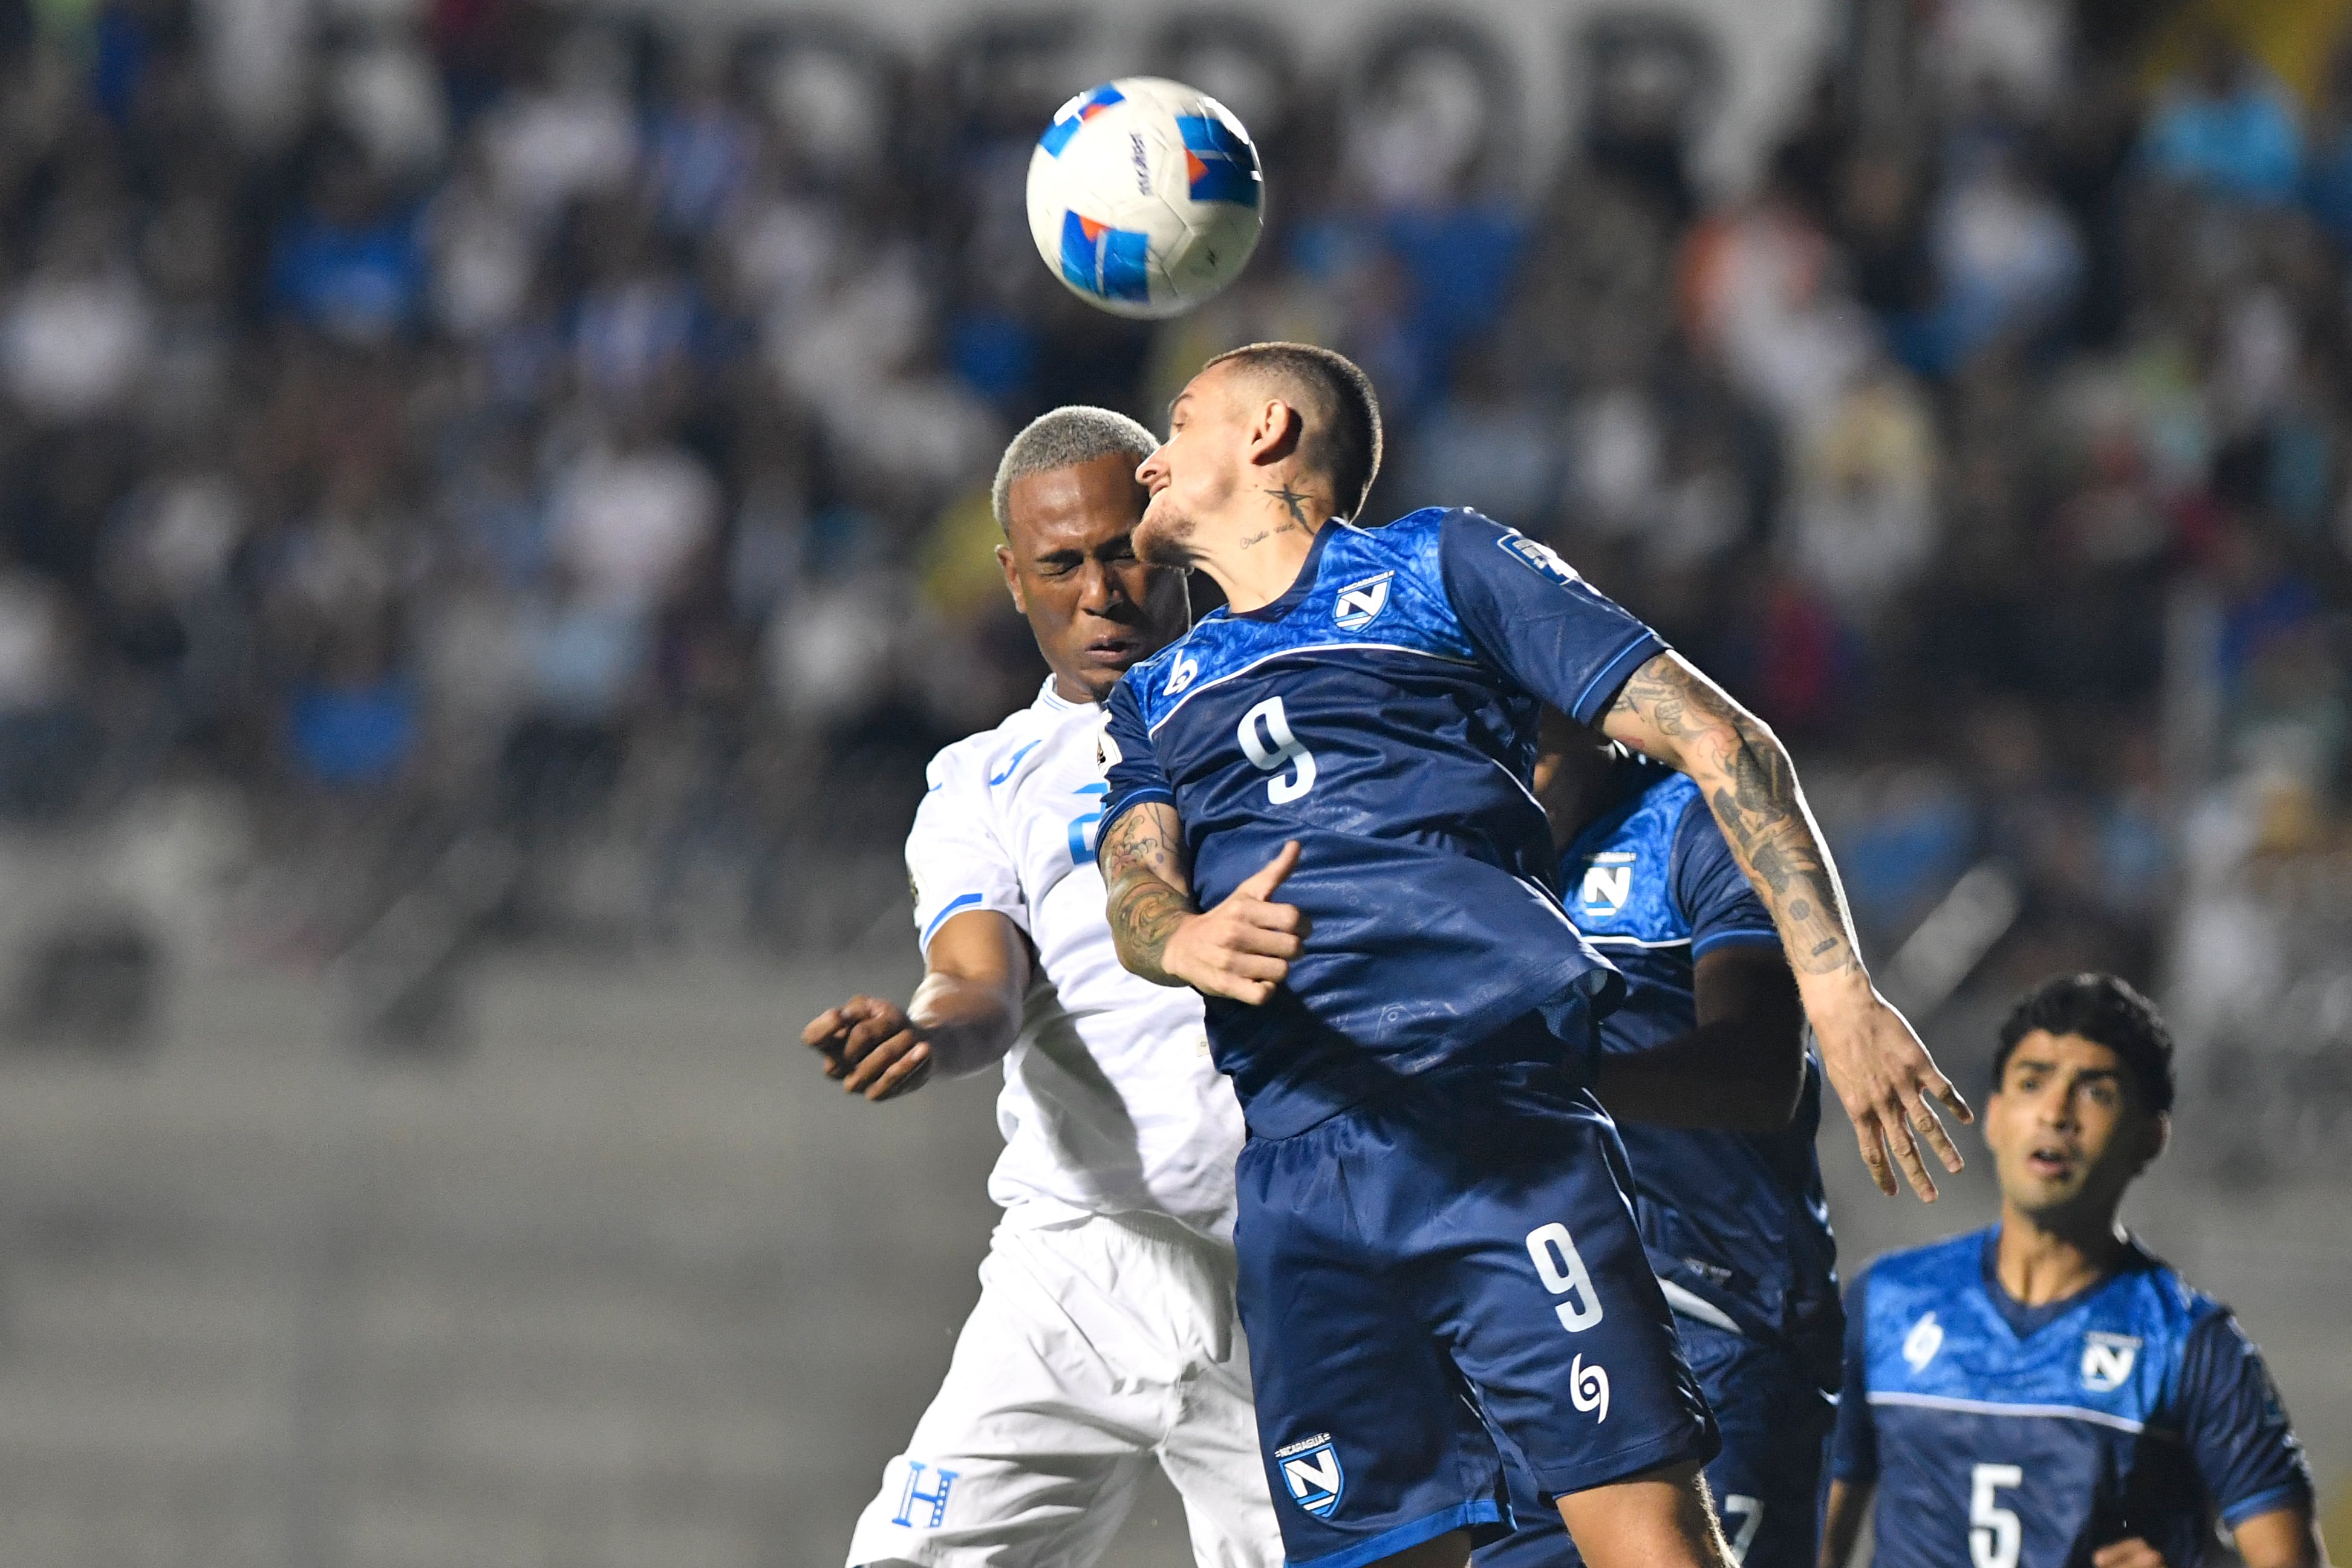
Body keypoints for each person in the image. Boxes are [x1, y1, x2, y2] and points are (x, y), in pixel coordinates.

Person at [1095, 341, 1969, 1568]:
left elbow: (1722, 740)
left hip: (1491, 1133)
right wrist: (1180, 936)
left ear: (1269, 432)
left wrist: (1840, 993)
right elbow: (1131, 879)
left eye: (1179, 421)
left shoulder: (1437, 566)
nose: (1149, 455)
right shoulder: (1156, 693)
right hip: (1300, 1179)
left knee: (1648, 1540)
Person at [806, 407, 1282, 1568]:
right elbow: (977, 981)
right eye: (1061, 564)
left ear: (1172, 536)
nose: (1102, 591)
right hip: (1076, 1261)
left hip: (1287, 1258)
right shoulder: (980, 782)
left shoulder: (1290, 709)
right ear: (1012, 581)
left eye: (1122, 549)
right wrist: (922, 1034)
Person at [1475, 721, 1837, 1568]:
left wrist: (1541, 1082)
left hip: (1717, 1320)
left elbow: (1758, 1071)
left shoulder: (1699, 822)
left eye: (1524, 745)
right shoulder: (1454, 845)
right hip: (1523, 1321)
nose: (1503, 777)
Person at [1820, 974, 2327, 1568]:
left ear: (2151, 1135)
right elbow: (1813, 1541)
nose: (2055, 1112)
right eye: (2032, 1082)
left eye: (2096, 1092)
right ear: (1994, 1115)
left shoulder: (2193, 1345)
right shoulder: (1885, 1302)